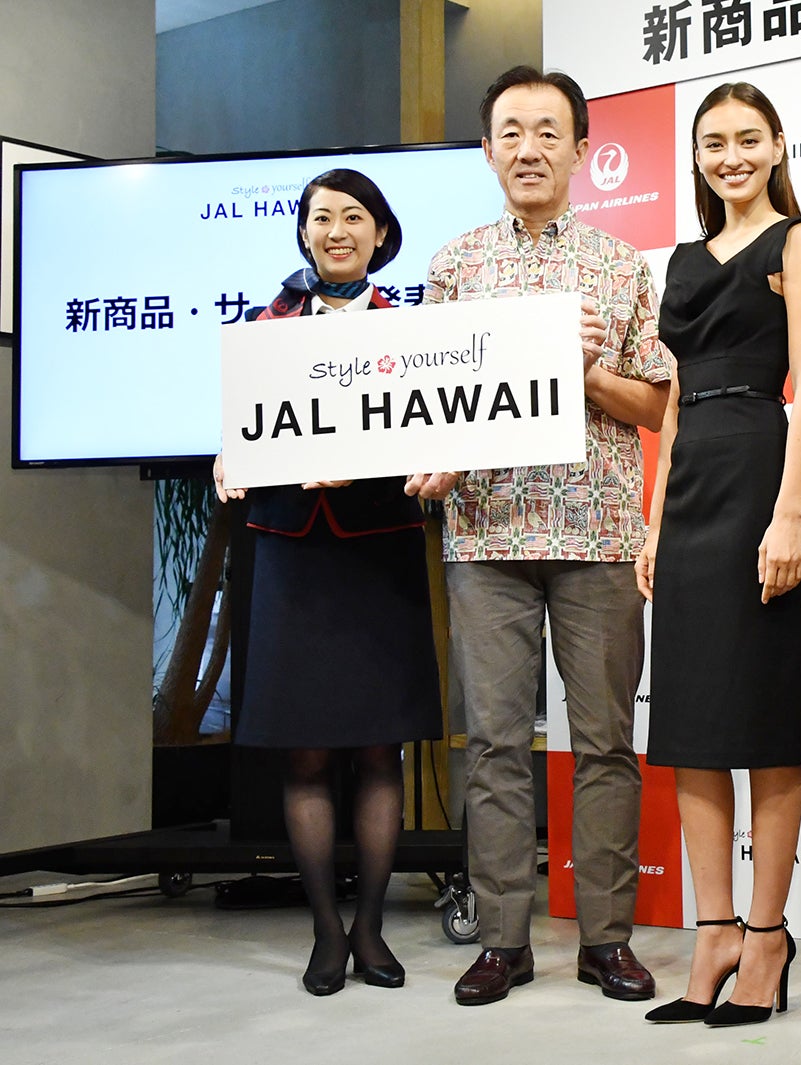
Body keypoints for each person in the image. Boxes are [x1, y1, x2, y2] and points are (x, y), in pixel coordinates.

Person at [406, 65, 671, 1007]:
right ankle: (503, 940)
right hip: (486, 533)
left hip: (598, 529)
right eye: (511, 132)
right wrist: (434, 457)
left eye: (549, 131)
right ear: (487, 151)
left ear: (582, 150)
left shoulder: (622, 265)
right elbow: (429, 398)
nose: (529, 148)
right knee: (494, 745)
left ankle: (606, 939)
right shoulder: (454, 267)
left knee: (604, 743)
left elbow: (655, 404)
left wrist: (584, 370)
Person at [634, 82, 801, 1029]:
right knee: (691, 727)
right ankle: (711, 932)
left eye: (749, 139)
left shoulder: (799, 240)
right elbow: (674, 400)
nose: (731, 156)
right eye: (713, 142)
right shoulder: (680, 259)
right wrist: (653, 525)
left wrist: (789, 514)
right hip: (689, 497)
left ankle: (766, 937)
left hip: (760, 474)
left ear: (778, 145)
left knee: (762, 719)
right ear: (697, 157)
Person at [215, 168, 442, 996]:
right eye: (321, 218)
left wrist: (371, 464)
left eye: (353, 217)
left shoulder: (412, 330)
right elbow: (242, 430)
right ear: (303, 232)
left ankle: (371, 927)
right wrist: (227, 457)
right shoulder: (262, 327)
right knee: (304, 752)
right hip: (291, 553)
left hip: (377, 550)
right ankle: (324, 931)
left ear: (381, 234)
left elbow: (428, 431)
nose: (336, 230)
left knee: (381, 747)